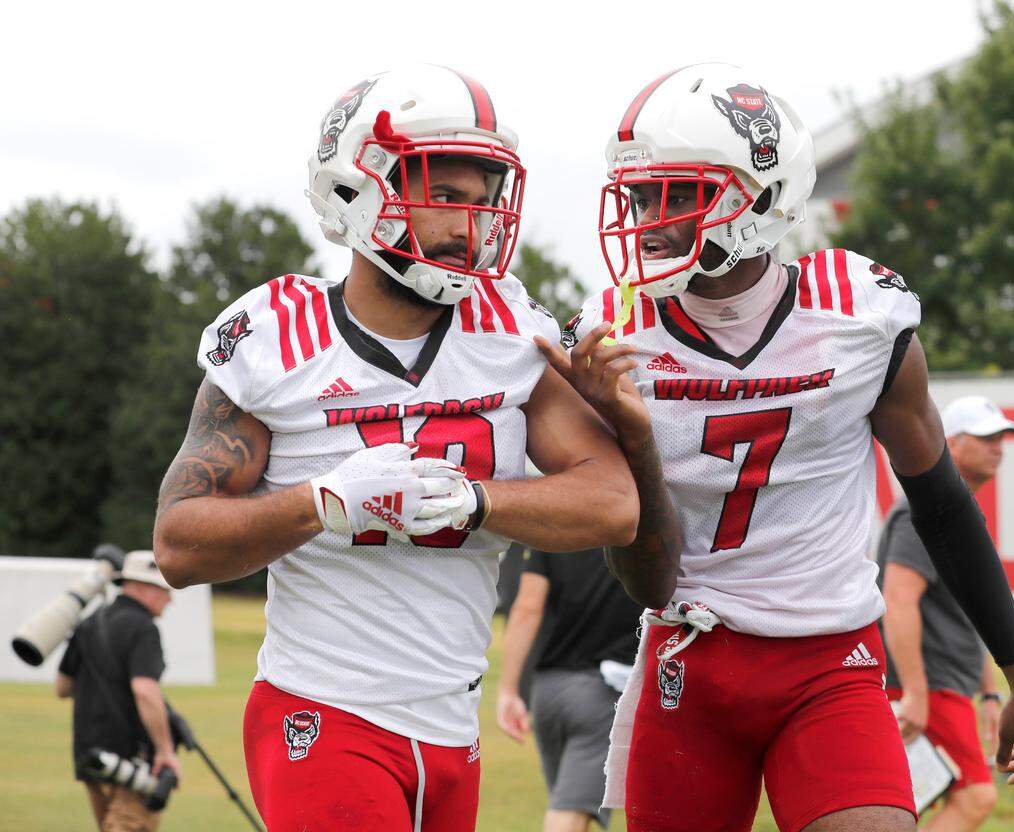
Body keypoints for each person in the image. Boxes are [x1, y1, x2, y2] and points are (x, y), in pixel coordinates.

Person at [540, 63, 1014, 832]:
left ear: (760, 194)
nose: (651, 219)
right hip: (690, 662)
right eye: (642, 195)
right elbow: (644, 576)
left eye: (678, 193)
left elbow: (940, 501)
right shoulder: (614, 337)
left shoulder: (861, 316)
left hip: (830, 663)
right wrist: (635, 437)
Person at [152, 65, 639, 832]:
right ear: (356, 191)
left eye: (483, 204)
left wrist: (476, 500)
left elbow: (612, 503)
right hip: (324, 708)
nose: (468, 226)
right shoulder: (280, 336)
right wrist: (322, 505)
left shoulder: (508, 329)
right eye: (444, 196)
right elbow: (178, 543)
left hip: (452, 726)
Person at [879, 396, 1014, 830]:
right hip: (929, 683)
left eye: (1001, 437)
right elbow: (897, 597)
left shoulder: (955, 513)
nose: (997, 446)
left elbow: (971, 613)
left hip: (947, 685)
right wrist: (916, 694)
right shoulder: (925, 512)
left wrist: (990, 694)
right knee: (974, 796)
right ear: (950, 444)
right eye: (985, 437)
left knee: (911, 801)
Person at [496, 547, 643, 831]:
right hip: (602, 693)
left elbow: (527, 608)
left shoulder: (554, 530)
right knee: (569, 813)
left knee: (567, 805)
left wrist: (509, 689)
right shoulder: (633, 526)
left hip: (547, 693)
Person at [56, 550, 178, 832]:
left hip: (89, 756)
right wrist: (164, 752)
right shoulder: (144, 628)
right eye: (165, 590)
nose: (170, 600)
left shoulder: (90, 622)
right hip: (131, 758)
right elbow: (145, 690)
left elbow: (62, 688)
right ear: (144, 587)